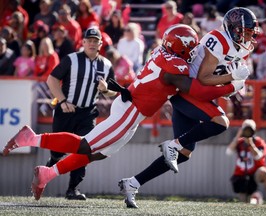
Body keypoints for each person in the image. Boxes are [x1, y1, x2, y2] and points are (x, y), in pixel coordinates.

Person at [3, 24, 245, 201]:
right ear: (179, 47)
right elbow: (197, 90)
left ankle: (47, 173)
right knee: (87, 146)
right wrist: (232, 83)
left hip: (132, 110)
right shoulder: (174, 67)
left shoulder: (164, 53)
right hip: (131, 110)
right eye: (189, 47)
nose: (192, 52)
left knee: (98, 154)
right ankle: (31, 138)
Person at [118, 7, 258, 208]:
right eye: (245, 31)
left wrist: (232, 85)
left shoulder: (242, 46)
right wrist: (232, 79)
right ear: (233, 29)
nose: (249, 36)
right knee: (220, 122)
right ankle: (172, 145)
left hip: (194, 91)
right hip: (187, 89)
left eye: (251, 32)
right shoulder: (218, 40)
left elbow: (220, 79)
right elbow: (204, 77)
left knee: (184, 152)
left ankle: (133, 183)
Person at [45, 26, 116, 200]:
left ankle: (73, 189)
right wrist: (62, 101)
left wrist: (106, 90)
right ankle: (47, 170)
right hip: (66, 110)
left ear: (100, 44)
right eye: (89, 40)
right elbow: (51, 79)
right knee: (57, 152)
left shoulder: (106, 65)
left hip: (87, 113)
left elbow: (113, 91)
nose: (92, 43)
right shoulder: (71, 59)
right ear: (83, 42)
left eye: (95, 41)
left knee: (84, 151)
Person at [226, 119, 266, 205]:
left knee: (264, 171)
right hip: (241, 176)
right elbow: (228, 152)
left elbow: (259, 156)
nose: (247, 131)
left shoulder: (259, 142)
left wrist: (251, 144)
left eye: (249, 129)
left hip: (255, 174)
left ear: (254, 130)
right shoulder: (239, 142)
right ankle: (255, 197)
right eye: (245, 128)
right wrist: (238, 136)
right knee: (245, 203)